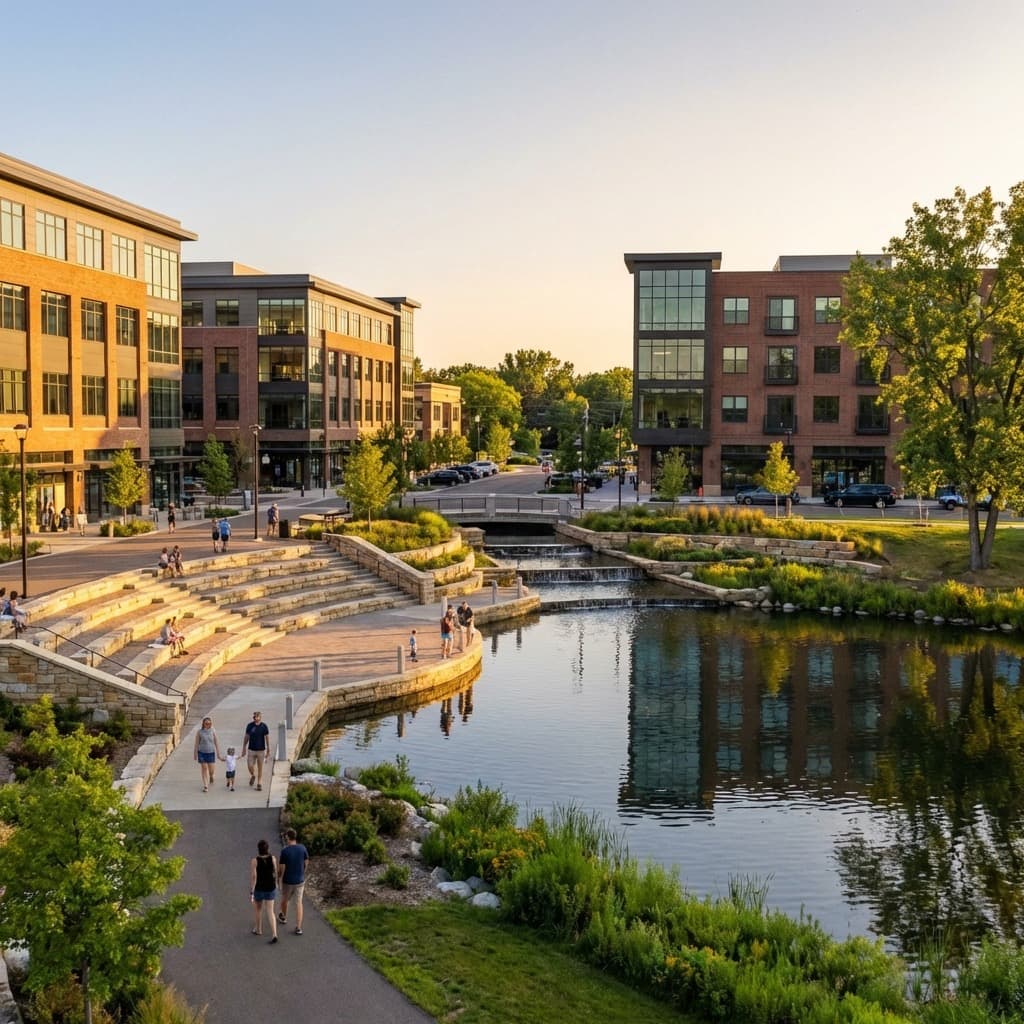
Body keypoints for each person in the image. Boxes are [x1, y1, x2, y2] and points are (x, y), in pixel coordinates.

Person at [276, 828, 309, 934]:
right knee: (299, 902)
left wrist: (279, 878)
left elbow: (281, 868)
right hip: (300, 880)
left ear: (288, 838)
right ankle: (299, 927)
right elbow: (306, 862)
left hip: (288, 881)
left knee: (285, 900)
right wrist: (303, 872)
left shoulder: (285, 851)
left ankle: (284, 917)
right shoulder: (302, 848)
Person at [249, 839, 279, 943]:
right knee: (270, 911)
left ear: (258, 849)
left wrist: (252, 890)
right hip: (270, 887)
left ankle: (258, 929)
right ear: (268, 849)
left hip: (259, 888)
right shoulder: (273, 858)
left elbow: (254, 877)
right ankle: (274, 933)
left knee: (258, 909)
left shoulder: (255, 861)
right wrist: (276, 883)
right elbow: (275, 871)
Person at [242, 710, 270, 791]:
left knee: (260, 767)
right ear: (253, 718)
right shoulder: (250, 726)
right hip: (251, 749)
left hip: (261, 750)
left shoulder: (264, 726)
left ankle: (259, 783)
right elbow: (246, 737)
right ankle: (253, 775)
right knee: (250, 765)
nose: (256, 718)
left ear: (260, 718)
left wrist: (268, 748)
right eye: (255, 717)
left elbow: (267, 738)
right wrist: (244, 747)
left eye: (257, 717)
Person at [193, 716, 221, 792]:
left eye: (209, 723)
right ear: (203, 724)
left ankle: (211, 776)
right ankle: (205, 785)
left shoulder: (213, 731)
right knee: (204, 768)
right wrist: (195, 754)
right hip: (202, 752)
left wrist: (218, 753)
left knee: (211, 770)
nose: (208, 725)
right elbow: (196, 743)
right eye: (206, 723)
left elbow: (216, 742)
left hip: (211, 752)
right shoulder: (199, 732)